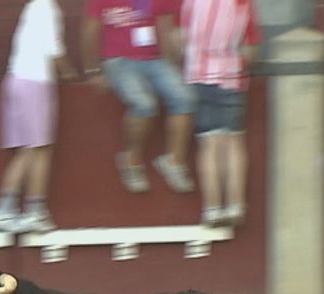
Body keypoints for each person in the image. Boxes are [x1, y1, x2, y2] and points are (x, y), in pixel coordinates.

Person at [158, 0, 260, 226]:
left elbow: (178, 39)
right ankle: (235, 205)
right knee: (234, 143)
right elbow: (251, 49)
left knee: (209, 144)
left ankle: (212, 209)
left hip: (199, 77)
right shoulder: (243, 3)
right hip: (232, 77)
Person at [0, 0, 77, 234]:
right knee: (40, 149)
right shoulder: (47, 7)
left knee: (27, 150)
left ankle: (4, 210)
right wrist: (69, 73)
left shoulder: (33, 6)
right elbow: (54, 49)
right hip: (35, 81)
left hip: (17, 79)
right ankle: (35, 211)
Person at [82, 0, 195, 194]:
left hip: (155, 59)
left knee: (185, 99)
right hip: (118, 60)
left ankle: (173, 161)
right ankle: (131, 160)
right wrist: (92, 70)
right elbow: (90, 30)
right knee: (144, 104)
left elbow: (164, 27)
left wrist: (173, 65)